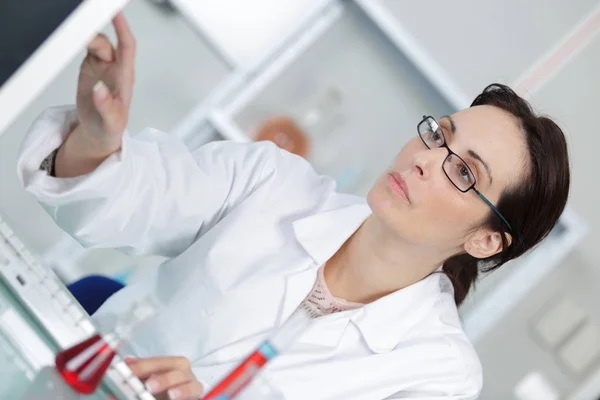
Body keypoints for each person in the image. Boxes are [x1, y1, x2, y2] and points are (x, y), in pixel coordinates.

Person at [18, 13, 570, 400]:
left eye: (464, 172)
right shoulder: (272, 184)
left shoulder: (437, 375)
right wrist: (96, 138)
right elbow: (128, 197)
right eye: (438, 135)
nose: (427, 158)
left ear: (485, 240)